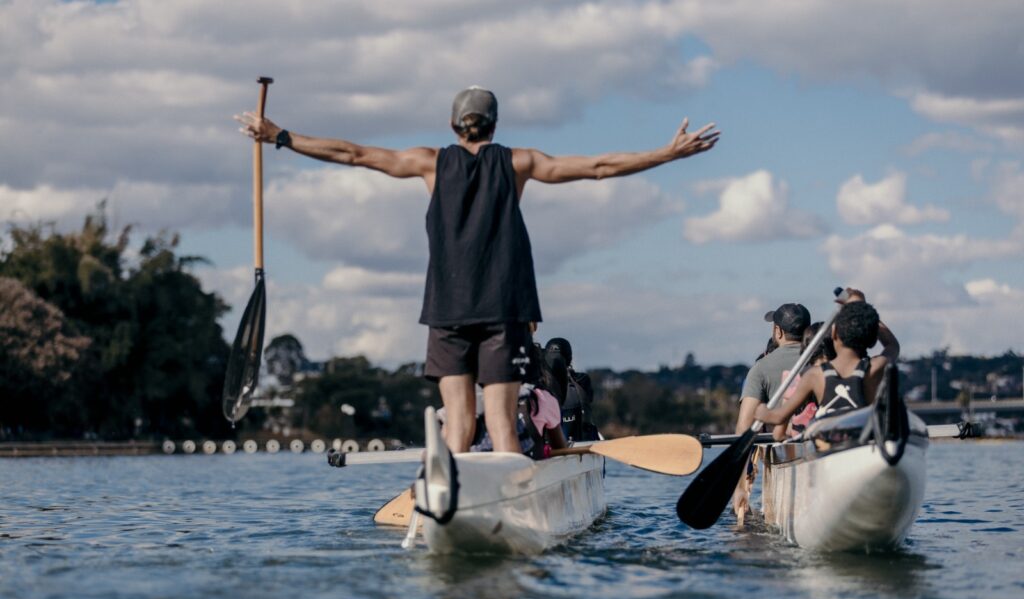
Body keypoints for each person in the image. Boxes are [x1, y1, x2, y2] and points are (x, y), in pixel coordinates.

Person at [237, 87, 719, 454]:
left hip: (448, 314)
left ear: (453, 125)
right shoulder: (518, 162)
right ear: (494, 125)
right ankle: (507, 504)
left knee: (460, 426)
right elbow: (595, 166)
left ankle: (453, 498)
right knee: (504, 424)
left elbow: (355, 154)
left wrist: (282, 136)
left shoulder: (428, 163)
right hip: (502, 314)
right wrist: (666, 153)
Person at [753, 289, 900, 427]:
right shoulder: (876, 367)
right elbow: (892, 345)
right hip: (863, 445)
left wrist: (761, 412)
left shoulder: (814, 375)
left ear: (834, 333)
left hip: (829, 448)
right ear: (873, 340)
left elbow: (778, 417)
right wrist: (861, 307)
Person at [732, 301, 811, 526]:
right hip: (822, 451)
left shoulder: (761, 368)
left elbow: (744, 430)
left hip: (782, 455)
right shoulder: (825, 360)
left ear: (778, 331)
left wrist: (739, 488)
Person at [544, 337, 599, 441]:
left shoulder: (539, 386)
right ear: (569, 358)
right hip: (583, 445)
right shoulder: (582, 380)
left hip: (551, 449)